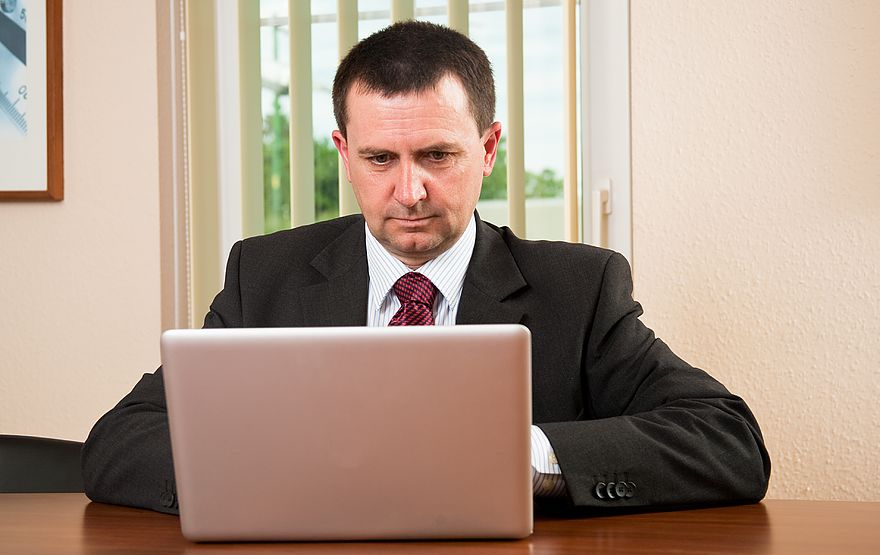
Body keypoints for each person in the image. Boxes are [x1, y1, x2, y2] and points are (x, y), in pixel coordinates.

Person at [82, 21, 770, 516]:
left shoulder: (579, 291)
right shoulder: (264, 276)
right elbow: (118, 442)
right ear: (344, 153)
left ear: (489, 147)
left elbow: (728, 441)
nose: (409, 191)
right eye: (381, 159)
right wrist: (277, 467)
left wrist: (522, 458)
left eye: (437, 156)